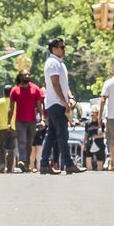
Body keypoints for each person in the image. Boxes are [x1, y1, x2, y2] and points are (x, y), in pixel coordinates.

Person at [40, 39, 76, 174]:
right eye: (61, 47)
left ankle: (44, 164)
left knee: (52, 135)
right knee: (62, 134)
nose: (64, 50)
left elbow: (64, 85)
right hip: (56, 103)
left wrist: (70, 98)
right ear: (53, 49)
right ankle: (68, 163)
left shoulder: (59, 63)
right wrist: (64, 102)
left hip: (57, 102)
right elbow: (55, 84)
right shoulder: (53, 63)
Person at [7, 66, 44, 174]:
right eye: (24, 75)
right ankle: (22, 160)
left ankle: (26, 164)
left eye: (28, 75)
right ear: (20, 77)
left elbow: (39, 106)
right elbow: (11, 107)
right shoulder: (15, 90)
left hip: (32, 121)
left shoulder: (35, 89)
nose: (27, 76)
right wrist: (9, 122)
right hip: (20, 121)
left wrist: (41, 119)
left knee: (29, 144)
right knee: (22, 141)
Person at [0, 91, 17, 173]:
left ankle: (2, 165)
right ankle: (10, 168)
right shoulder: (15, 102)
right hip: (13, 127)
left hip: (2, 128)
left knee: (2, 148)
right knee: (11, 148)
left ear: (3, 93)